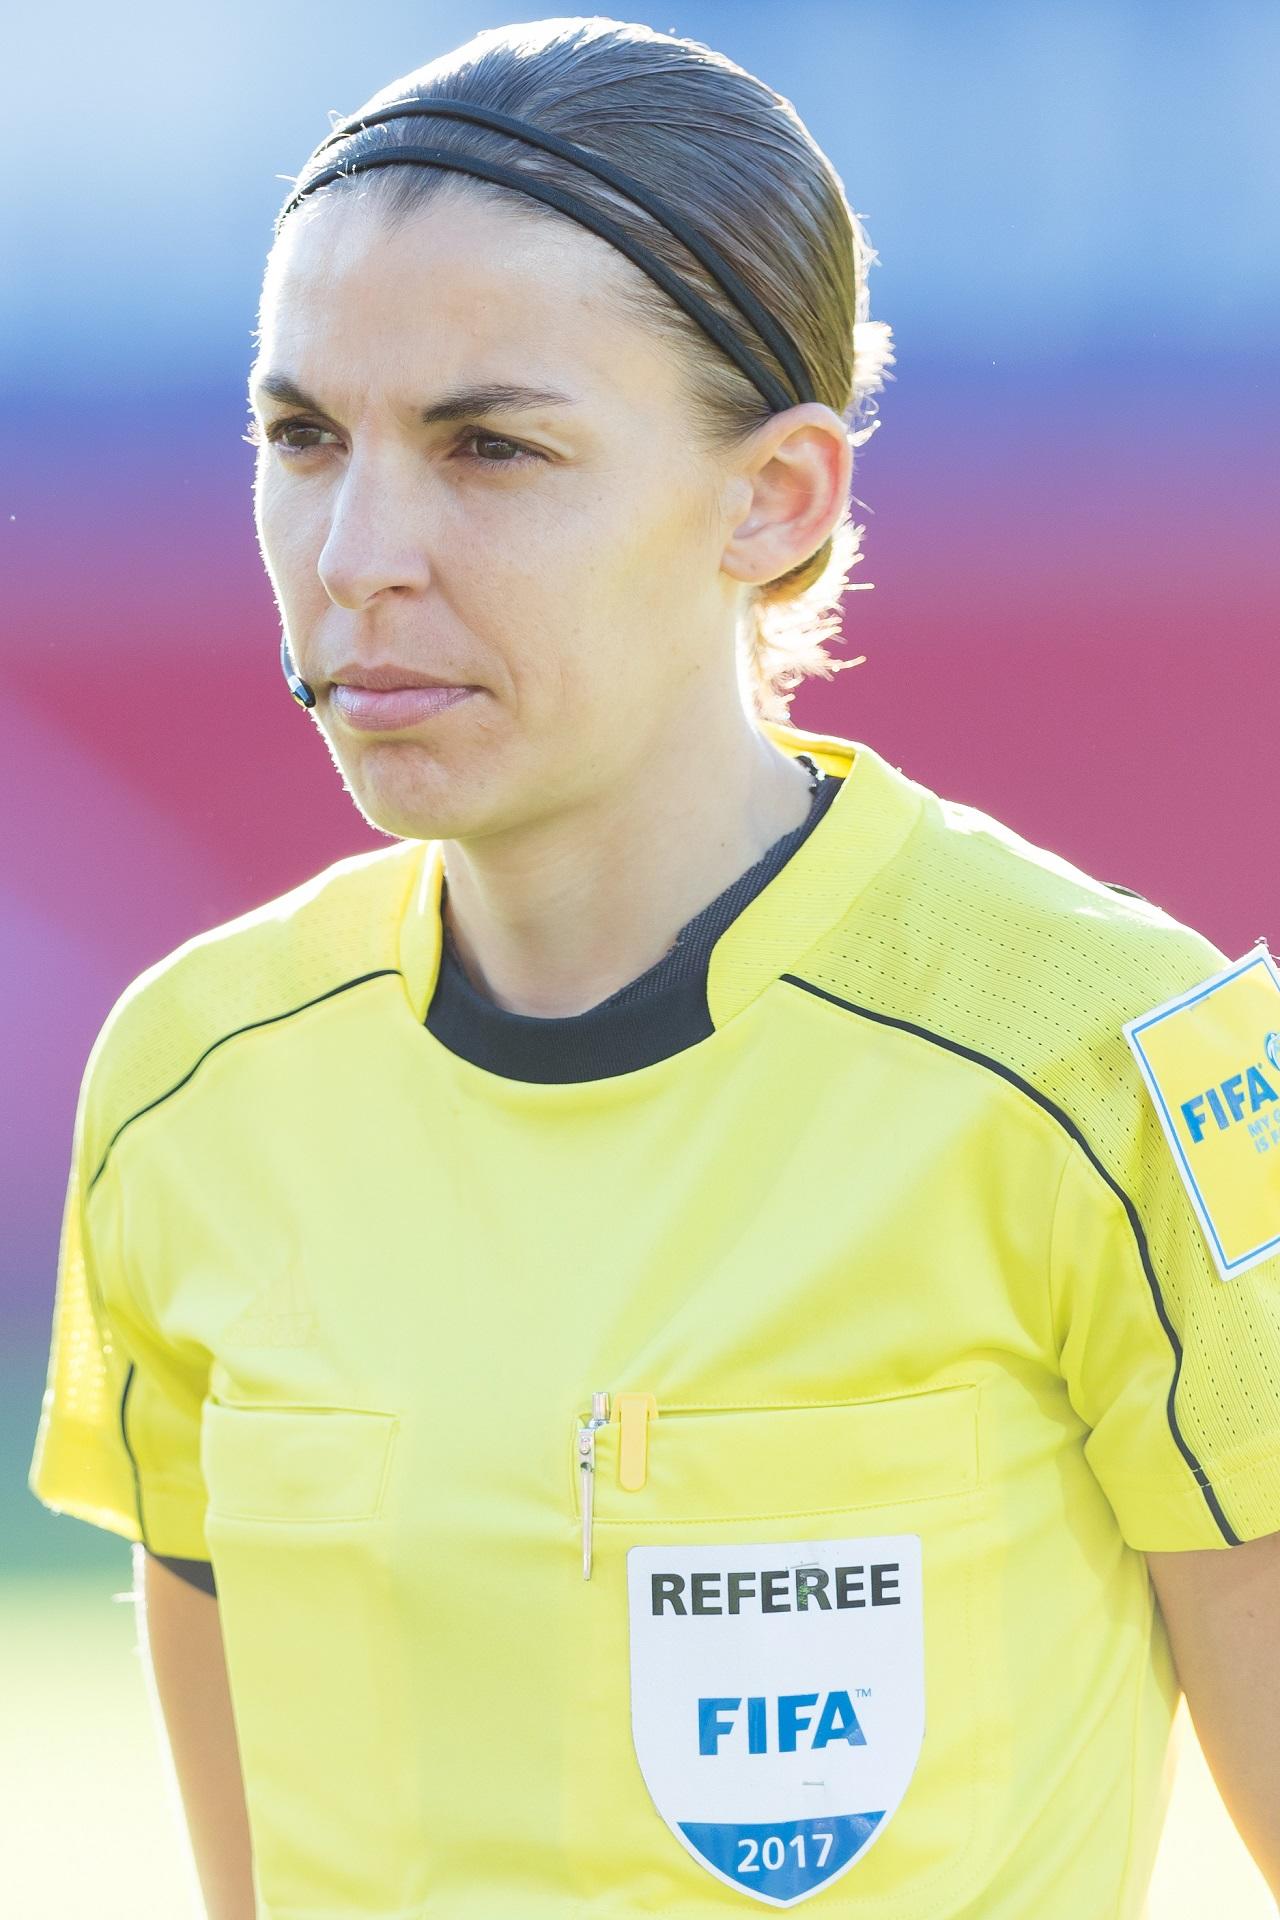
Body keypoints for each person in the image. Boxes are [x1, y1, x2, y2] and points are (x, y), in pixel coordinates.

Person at [27, 16, 1280, 1920]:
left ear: (778, 499)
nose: (358, 553)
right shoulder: (189, 1085)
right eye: (303, 439)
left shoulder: (1110, 1060)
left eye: (491, 448)